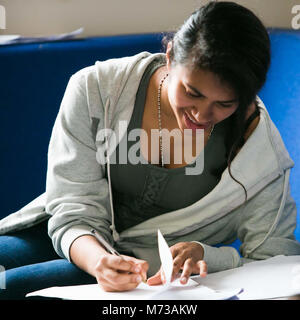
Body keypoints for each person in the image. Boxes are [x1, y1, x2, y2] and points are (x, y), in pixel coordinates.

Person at [0, 1, 300, 299]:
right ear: (169, 58)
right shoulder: (94, 89)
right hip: (72, 236)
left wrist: (206, 255)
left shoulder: (259, 154)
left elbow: (276, 262)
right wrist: (98, 261)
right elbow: (72, 208)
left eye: (224, 104)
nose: (201, 114)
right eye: (192, 93)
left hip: (149, 274)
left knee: (11, 287)